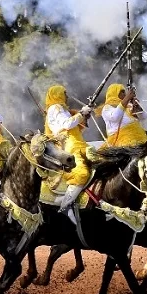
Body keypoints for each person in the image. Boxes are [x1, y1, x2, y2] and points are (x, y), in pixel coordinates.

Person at [44, 85, 91, 214]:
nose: (67, 96)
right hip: (68, 147)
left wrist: (84, 116)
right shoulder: (55, 108)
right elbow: (67, 124)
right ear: (57, 94)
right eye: (64, 93)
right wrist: (81, 113)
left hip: (78, 144)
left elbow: (75, 128)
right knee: (82, 173)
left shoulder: (63, 109)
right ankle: (65, 207)